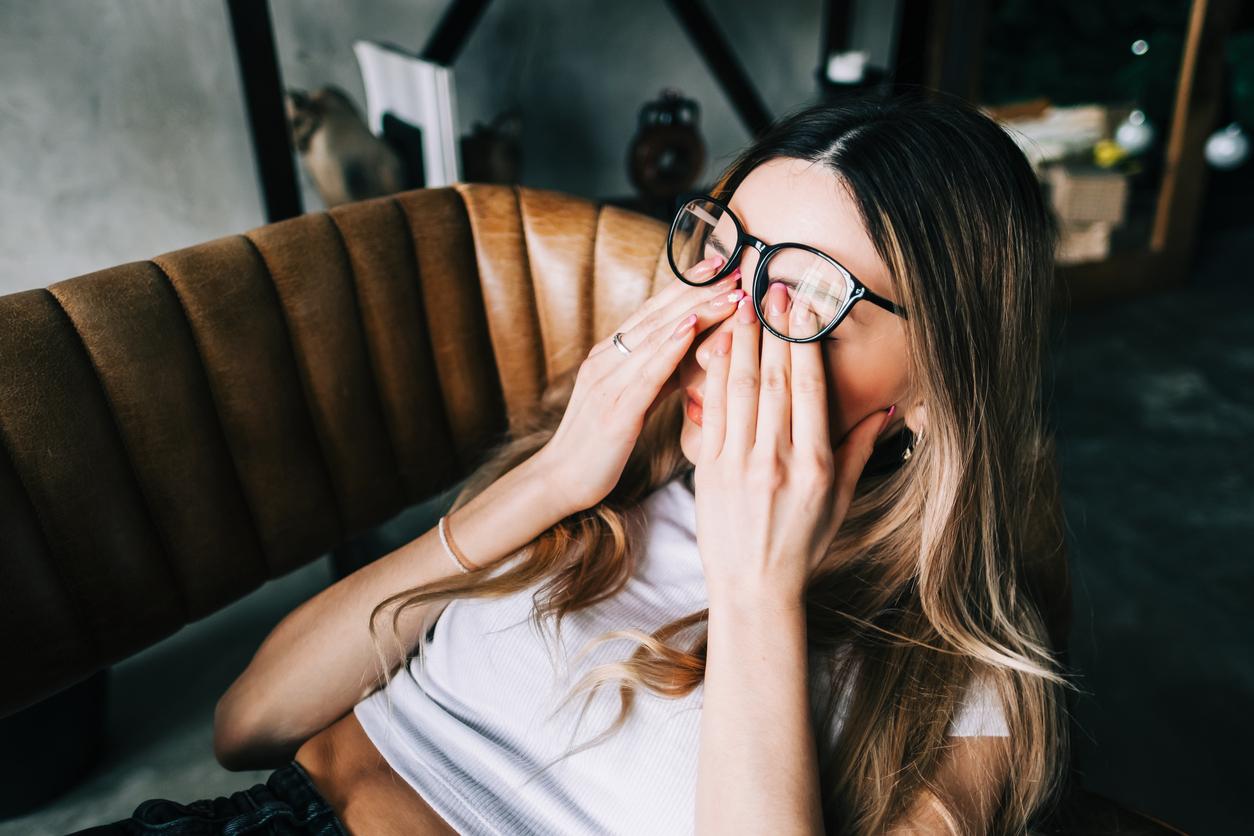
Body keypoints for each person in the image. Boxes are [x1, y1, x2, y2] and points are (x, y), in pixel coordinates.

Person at [74, 93, 1074, 835]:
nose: (724, 324)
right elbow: (249, 722)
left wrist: (756, 587)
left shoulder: (968, 682)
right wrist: (553, 477)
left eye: (806, 296)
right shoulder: (608, 480)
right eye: (726, 253)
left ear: (940, 378)